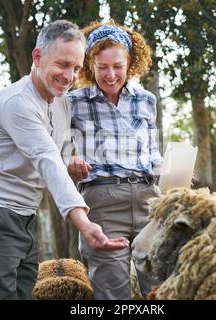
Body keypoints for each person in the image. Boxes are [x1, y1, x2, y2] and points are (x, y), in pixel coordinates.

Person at [0, 20, 129, 300]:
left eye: (76, 68)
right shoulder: (17, 103)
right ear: (37, 57)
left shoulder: (61, 102)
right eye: (62, 64)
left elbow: (55, 157)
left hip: (25, 218)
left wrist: (71, 165)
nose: (69, 76)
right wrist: (85, 224)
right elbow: (47, 160)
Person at [67, 21, 163, 300]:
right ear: (89, 65)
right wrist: (70, 160)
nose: (110, 75)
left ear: (130, 63)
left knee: (159, 289)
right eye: (102, 67)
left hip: (149, 199)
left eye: (117, 66)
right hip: (102, 201)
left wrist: (169, 172)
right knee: (112, 292)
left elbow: (152, 152)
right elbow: (56, 149)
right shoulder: (73, 102)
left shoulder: (146, 100)